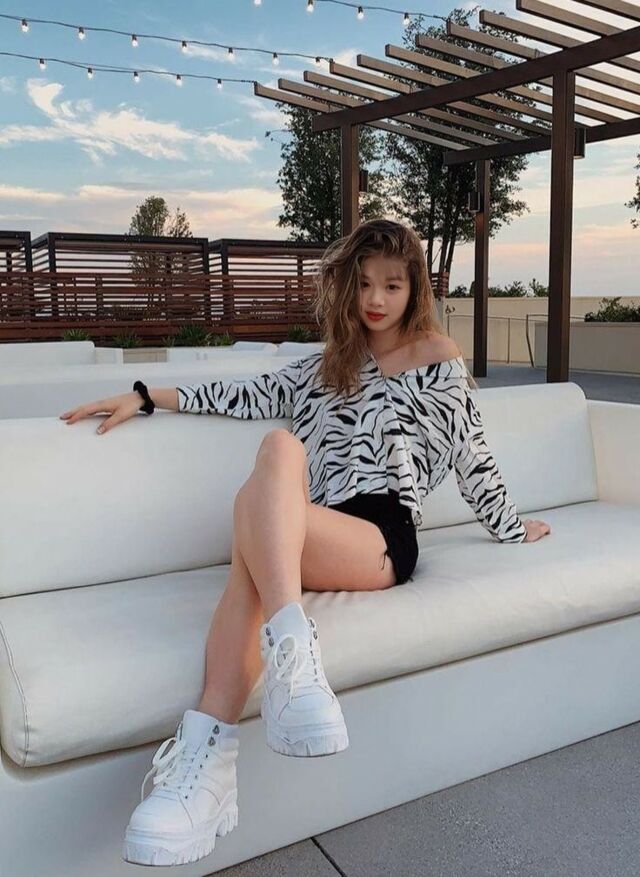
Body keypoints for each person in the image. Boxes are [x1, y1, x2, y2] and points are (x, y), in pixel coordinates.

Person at [59, 218, 551, 867]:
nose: (375, 298)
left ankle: (206, 763)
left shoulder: (439, 359)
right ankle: (276, 682)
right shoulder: (324, 368)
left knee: (254, 524)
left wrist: (512, 525)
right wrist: (145, 396)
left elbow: (472, 455)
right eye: (364, 283)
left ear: (414, 290)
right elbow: (238, 393)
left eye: (392, 285)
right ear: (347, 287)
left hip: (379, 535)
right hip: (300, 529)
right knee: (277, 455)